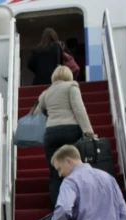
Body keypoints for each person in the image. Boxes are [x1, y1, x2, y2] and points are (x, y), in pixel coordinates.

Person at [36, 65, 95, 206]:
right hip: (70, 131)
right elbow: (79, 108)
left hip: (50, 133)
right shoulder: (71, 86)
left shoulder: (46, 93)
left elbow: (39, 111)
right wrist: (88, 130)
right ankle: (77, 204)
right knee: (74, 169)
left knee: (55, 173)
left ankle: (59, 207)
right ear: (69, 76)